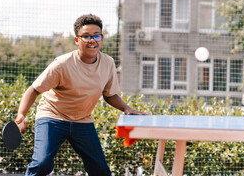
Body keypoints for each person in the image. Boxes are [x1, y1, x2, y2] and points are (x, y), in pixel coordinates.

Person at [15, 14, 146, 176]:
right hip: (52, 116)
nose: (92, 40)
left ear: (102, 39)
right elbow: (33, 90)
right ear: (77, 40)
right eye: (86, 36)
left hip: (82, 120)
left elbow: (109, 95)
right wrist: (21, 114)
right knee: (42, 164)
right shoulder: (62, 64)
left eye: (96, 35)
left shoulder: (108, 63)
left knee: (100, 170)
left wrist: (126, 108)